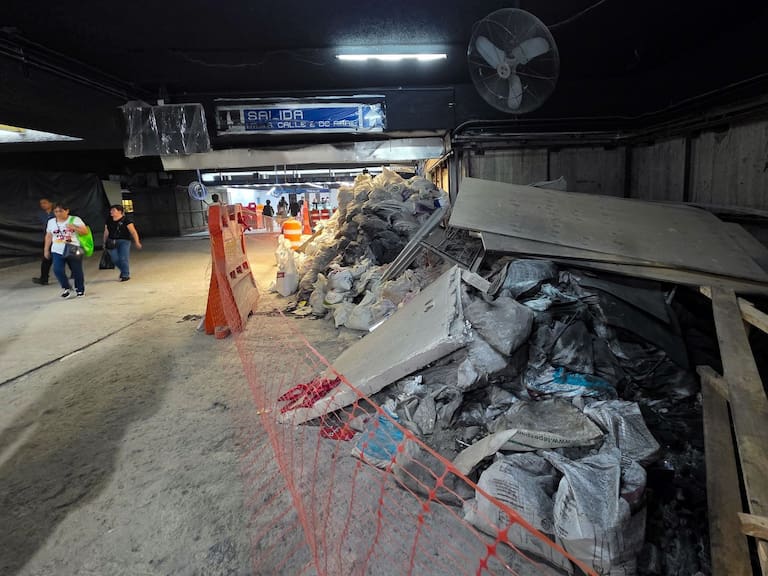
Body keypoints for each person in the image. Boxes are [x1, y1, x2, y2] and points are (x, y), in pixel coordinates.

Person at [44, 202, 88, 298]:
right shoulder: (51, 222)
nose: (58, 213)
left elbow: (85, 231)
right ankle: (66, 287)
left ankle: (80, 289)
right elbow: (48, 236)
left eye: (61, 211)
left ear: (67, 211)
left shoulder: (75, 219)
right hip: (57, 249)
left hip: (73, 248)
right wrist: (46, 250)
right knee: (57, 270)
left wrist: (74, 227)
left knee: (77, 270)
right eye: (56, 211)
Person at [103, 205, 142, 282]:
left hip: (124, 241)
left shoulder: (126, 220)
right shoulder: (109, 220)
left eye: (113, 210)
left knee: (123, 258)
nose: (111, 212)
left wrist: (137, 241)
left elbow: (133, 232)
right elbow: (106, 231)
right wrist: (104, 242)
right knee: (114, 259)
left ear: (120, 211)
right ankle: (124, 270)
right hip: (111, 241)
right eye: (111, 210)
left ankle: (125, 275)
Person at [33, 198, 55, 285]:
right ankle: (44, 279)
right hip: (48, 238)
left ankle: (74, 273)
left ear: (51, 203)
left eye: (45, 203)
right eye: (41, 203)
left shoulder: (56, 212)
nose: (43, 205)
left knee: (67, 257)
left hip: (59, 238)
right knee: (46, 259)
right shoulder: (40, 214)